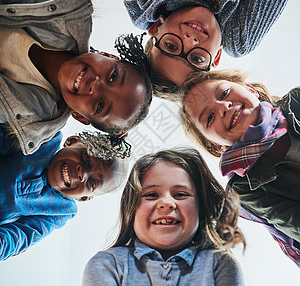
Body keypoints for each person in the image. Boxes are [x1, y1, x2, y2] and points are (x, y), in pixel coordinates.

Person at [0, 0, 152, 155]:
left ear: (80, 116)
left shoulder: (29, 116)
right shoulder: (64, 16)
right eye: (113, 75)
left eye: (100, 105)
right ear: (108, 55)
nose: (95, 85)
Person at [180, 69, 300, 264]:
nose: (223, 107)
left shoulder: (297, 100)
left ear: (250, 89)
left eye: (224, 93)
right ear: (215, 145)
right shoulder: (244, 188)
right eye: (209, 117)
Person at [82, 148, 245, 285]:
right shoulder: (108, 264)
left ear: (200, 208)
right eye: (151, 195)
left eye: (181, 194)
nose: (167, 203)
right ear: (131, 209)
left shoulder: (220, 264)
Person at [124, 0, 292, 100]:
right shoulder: (240, 37)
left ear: (158, 26)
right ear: (216, 56)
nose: (190, 41)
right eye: (197, 59)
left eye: (171, 46)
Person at [0, 127, 129, 261]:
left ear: (83, 197)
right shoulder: (45, 140)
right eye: (86, 158)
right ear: (72, 141)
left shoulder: (61, 211)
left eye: (91, 183)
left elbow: (21, 236)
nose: (82, 174)